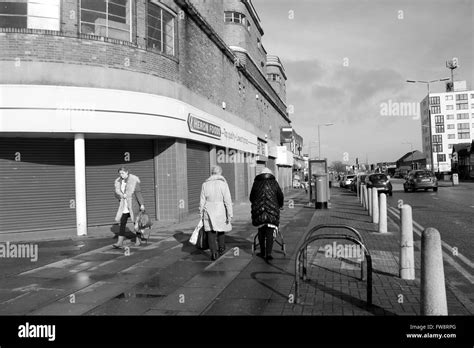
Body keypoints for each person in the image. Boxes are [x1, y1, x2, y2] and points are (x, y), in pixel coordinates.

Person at [199, 165, 233, 261]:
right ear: (220, 173)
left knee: (210, 232)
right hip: (220, 209)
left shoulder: (205, 184)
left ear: (212, 173)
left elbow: (202, 201)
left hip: (208, 209)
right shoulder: (223, 184)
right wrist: (229, 213)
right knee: (221, 229)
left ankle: (213, 253)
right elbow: (227, 200)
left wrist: (201, 213)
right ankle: (221, 247)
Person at [249, 167, 284, 261]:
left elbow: (251, 197)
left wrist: (255, 203)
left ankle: (262, 251)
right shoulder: (274, 183)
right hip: (272, 210)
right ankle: (268, 253)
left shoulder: (256, 183)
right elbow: (280, 195)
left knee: (261, 230)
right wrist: (280, 205)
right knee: (270, 231)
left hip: (259, 209)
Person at [112, 167, 146, 249]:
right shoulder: (118, 182)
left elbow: (138, 193)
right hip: (124, 206)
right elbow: (116, 194)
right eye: (120, 173)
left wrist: (141, 204)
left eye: (123, 173)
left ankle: (138, 239)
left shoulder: (133, 181)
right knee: (122, 223)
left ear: (127, 172)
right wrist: (120, 196)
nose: (121, 175)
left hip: (133, 205)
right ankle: (119, 242)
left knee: (136, 223)